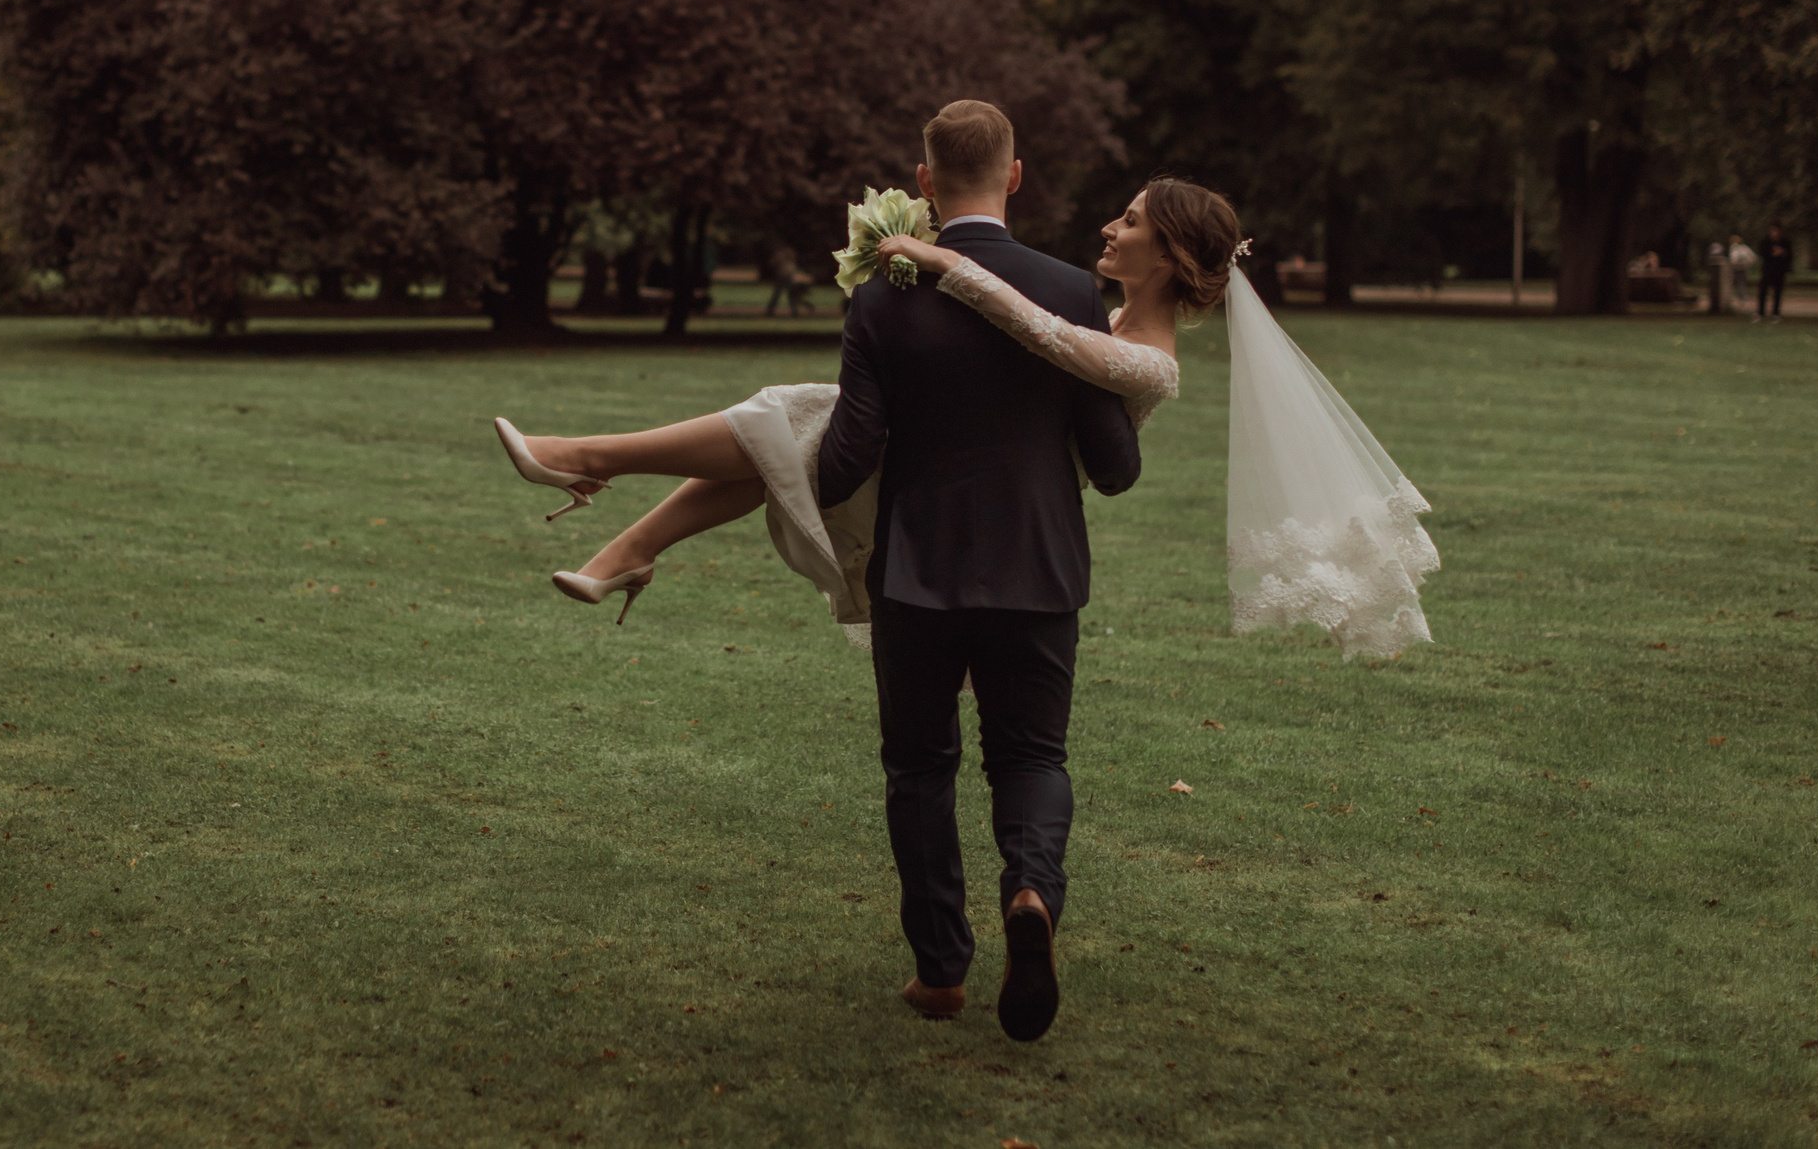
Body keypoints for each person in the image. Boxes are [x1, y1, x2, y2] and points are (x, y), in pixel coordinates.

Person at [490, 102, 1438, 1036]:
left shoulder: (913, 297)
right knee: (1030, 757)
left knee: (918, 764)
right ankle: (1030, 892)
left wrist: (920, 307)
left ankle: (941, 970)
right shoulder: (1077, 296)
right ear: (1016, 176)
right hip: (1038, 565)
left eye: (1132, 218)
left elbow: (866, 456)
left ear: (926, 180)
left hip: (920, 568)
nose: (1113, 225)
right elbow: (1111, 468)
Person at [764, 243, 812, 317]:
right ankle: (771, 311)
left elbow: (773, 262)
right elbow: (772, 262)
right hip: (783, 276)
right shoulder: (783, 255)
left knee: (789, 295)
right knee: (781, 294)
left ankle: (794, 312)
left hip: (787, 276)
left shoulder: (787, 257)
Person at [1759, 225, 1793, 320]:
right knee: (1763, 291)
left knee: (1778, 292)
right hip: (1767, 270)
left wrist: (1782, 253)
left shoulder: (1785, 242)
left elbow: (1790, 256)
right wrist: (1772, 253)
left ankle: (1776, 313)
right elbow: (1763, 253)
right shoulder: (1766, 242)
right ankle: (1760, 312)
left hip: (1779, 271)